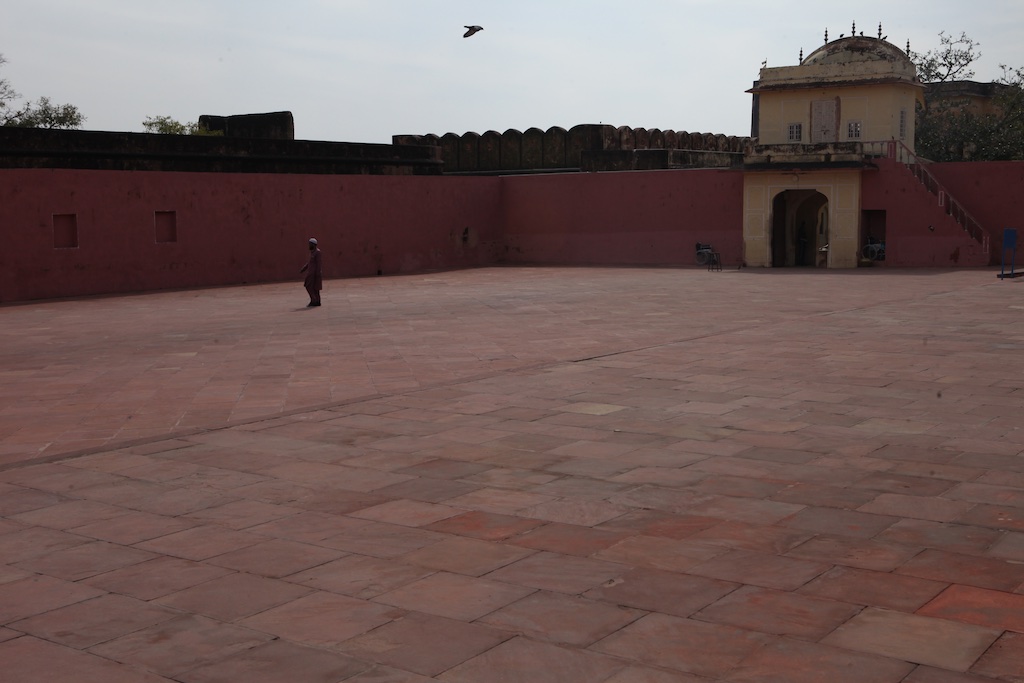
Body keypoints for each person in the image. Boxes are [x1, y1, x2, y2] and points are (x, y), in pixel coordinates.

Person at [300, 237, 322, 306]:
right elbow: (309, 263)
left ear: (314, 244)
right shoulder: (312, 253)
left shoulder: (317, 252)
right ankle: (316, 300)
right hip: (310, 273)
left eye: (310, 244)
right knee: (312, 287)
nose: (309, 245)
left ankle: (314, 300)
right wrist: (304, 268)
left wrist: (318, 273)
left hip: (314, 273)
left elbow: (319, 263)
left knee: (310, 286)